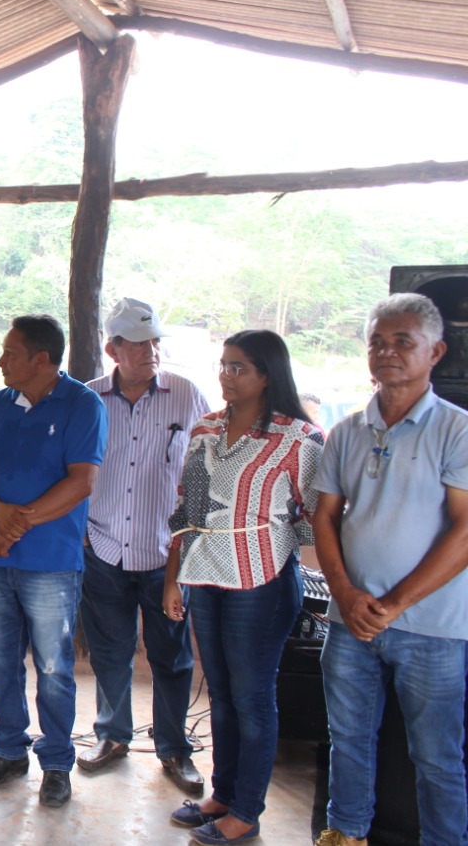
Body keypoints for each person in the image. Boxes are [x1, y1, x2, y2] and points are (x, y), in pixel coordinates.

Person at [311, 293, 468, 846]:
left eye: (404, 341)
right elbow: (324, 518)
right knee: (347, 739)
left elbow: (465, 530)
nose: (387, 352)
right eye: (377, 341)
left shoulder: (458, 429)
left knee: (436, 756)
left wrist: (394, 604)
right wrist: (348, 596)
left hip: (433, 629)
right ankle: (346, 834)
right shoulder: (348, 430)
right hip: (349, 622)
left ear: (436, 352)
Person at [163, 330, 322, 845]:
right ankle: (223, 793)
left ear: (267, 375)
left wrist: (276, 541)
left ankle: (247, 811)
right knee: (223, 694)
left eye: (239, 368)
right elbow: (188, 510)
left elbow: (317, 519)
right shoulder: (206, 429)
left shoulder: (297, 439)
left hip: (263, 582)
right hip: (206, 576)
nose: (226, 377)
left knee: (253, 698)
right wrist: (173, 580)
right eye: (224, 366)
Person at [0, 314, 107, 808]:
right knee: (1, 662)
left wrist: (14, 526)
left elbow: (81, 482)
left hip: (51, 563)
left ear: (41, 360)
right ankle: (8, 751)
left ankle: (56, 762)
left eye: (10, 352)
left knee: (53, 668)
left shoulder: (83, 404)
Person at [78, 298, 210, 794]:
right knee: (110, 651)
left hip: (165, 556)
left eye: (155, 342)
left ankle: (174, 749)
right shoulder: (89, 399)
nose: (152, 352)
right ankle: (112, 737)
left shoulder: (185, 394)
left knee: (171, 656)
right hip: (105, 547)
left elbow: (203, 469)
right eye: (139, 344)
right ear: (114, 349)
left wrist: (190, 543)